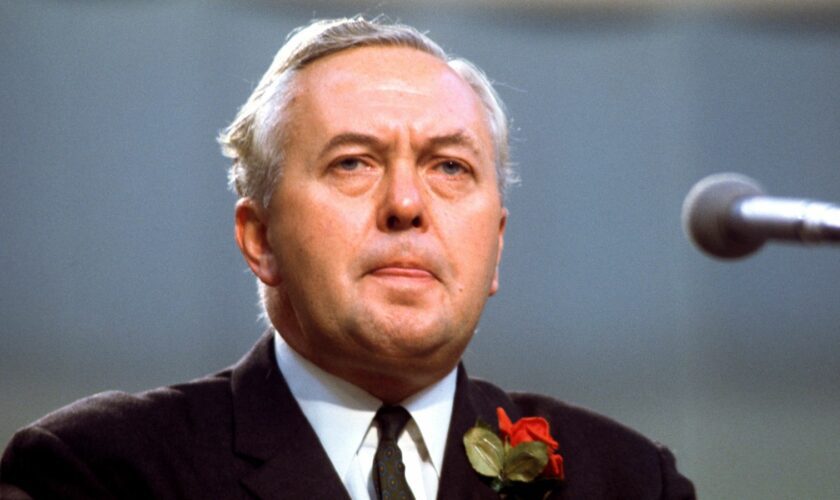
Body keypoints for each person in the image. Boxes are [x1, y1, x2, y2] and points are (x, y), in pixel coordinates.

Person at [0, 17, 695, 499]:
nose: (406, 204)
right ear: (260, 239)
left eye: (449, 168)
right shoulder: (103, 472)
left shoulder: (625, 480)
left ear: (497, 246)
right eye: (354, 162)